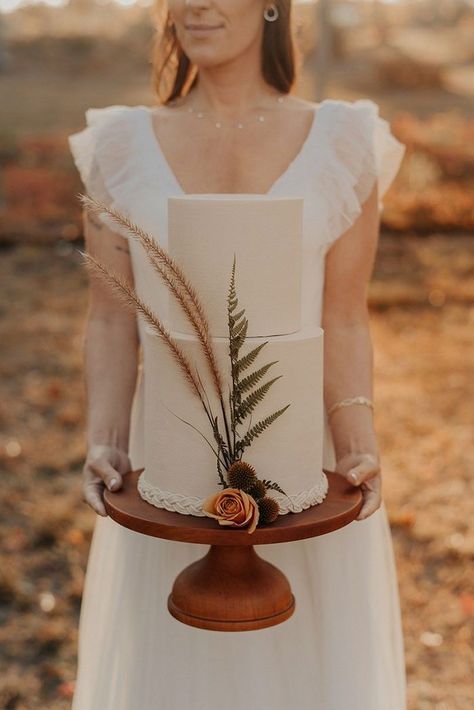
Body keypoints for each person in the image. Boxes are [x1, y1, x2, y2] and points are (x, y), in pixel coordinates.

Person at [68, 1, 407, 708]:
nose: (196, 3)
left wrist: (355, 445)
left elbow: (343, 318)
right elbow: (110, 320)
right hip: (169, 464)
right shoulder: (120, 146)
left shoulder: (342, 141)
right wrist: (106, 442)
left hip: (299, 469)